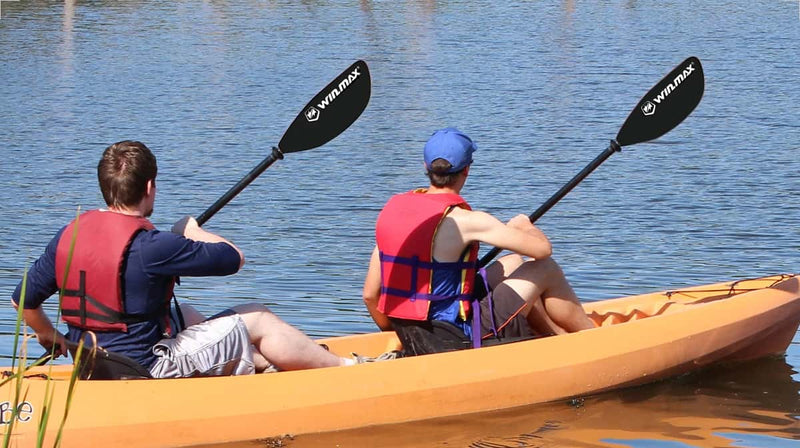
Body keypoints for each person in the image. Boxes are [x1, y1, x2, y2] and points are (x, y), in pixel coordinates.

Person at [12, 140, 365, 377]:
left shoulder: (69, 235)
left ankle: (264, 367)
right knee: (258, 317)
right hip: (143, 368)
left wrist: (52, 336)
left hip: (89, 360)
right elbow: (233, 258)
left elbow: (22, 299)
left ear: (105, 187)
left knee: (189, 316)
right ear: (149, 187)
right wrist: (191, 230)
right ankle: (346, 369)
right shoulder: (155, 246)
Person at [362, 127, 595, 355]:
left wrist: (401, 335)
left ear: (426, 167)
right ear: (467, 171)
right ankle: (596, 341)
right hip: (458, 337)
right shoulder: (466, 221)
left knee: (512, 262)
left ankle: (555, 338)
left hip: (413, 332)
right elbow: (543, 250)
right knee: (545, 269)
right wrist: (525, 226)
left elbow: (370, 295)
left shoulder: (392, 214)